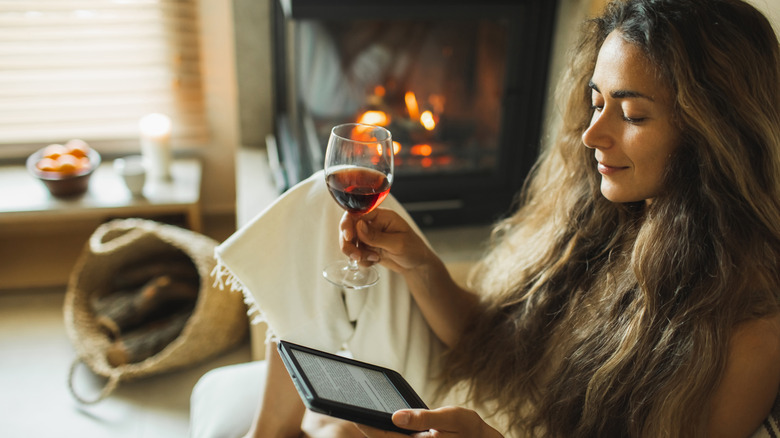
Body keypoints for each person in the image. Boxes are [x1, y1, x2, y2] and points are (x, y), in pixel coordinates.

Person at [194, 0, 780, 437]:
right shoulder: (605, 218)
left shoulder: (750, 324)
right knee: (329, 201)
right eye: (596, 101)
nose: (591, 133)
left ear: (715, 130)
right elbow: (496, 345)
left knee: (347, 433)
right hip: (486, 392)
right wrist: (420, 266)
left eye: (630, 113)